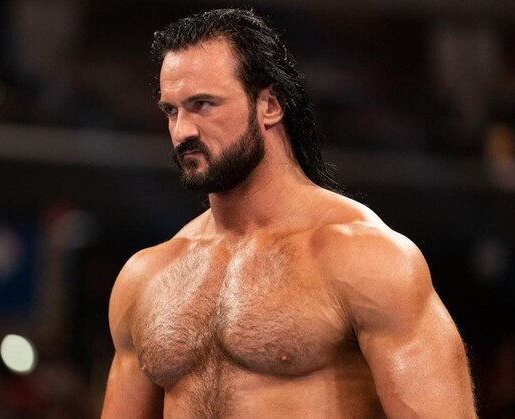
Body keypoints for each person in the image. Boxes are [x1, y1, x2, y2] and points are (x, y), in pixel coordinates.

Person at [102, 8, 476, 418]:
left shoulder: (365, 258)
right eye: (172, 111)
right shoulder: (145, 277)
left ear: (269, 105)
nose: (182, 132)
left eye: (202, 105)